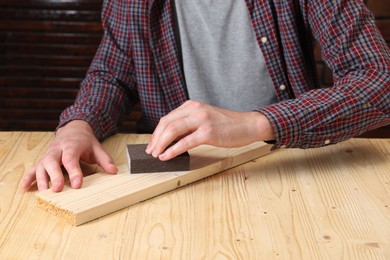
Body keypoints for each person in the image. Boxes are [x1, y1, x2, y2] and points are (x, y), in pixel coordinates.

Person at [21, 0, 390, 192]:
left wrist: (254, 123)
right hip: (170, 177)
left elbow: (380, 80)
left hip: (284, 168)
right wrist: (78, 124)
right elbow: (114, 72)